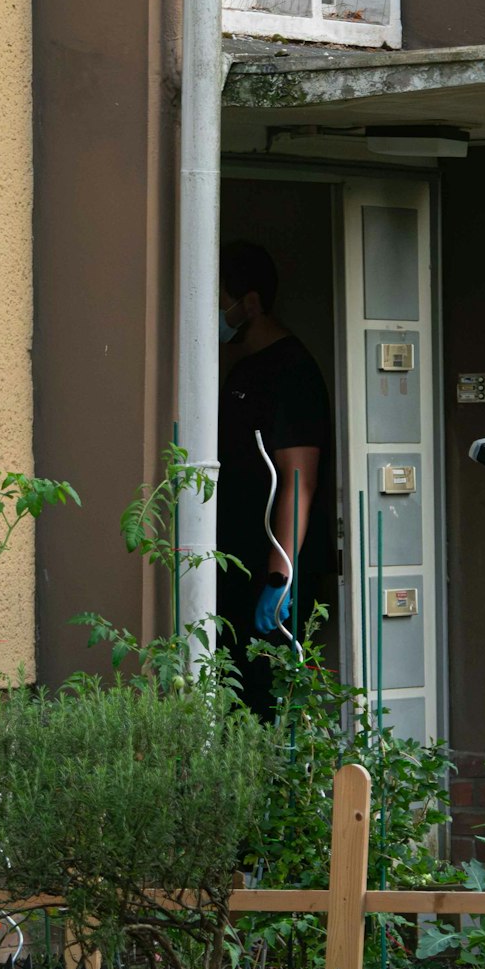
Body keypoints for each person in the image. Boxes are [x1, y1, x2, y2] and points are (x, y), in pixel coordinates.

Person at [217, 239, 335, 719]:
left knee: (269, 699)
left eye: (221, 300)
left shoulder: (292, 373)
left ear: (250, 303)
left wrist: (279, 576)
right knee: (233, 693)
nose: (217, 313)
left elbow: (299, 481)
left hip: (271, 573)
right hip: (236, 562)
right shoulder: (244, 370)